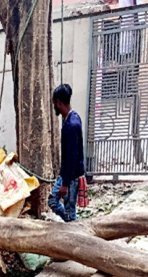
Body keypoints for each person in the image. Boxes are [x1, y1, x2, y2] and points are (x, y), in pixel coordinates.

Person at [49, 84, 86, 222]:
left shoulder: (71, 125)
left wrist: (65, 184)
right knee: (52, 201)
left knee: (70, 213)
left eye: (54, 104)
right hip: (65, 174)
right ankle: (72, 225)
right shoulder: (72, 118)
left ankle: (74, 229)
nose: (54, 107)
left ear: (58, 102)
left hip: (71, 178)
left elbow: (72, 158)